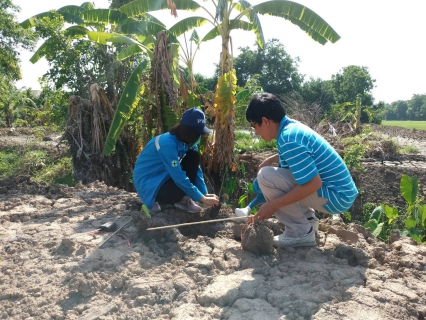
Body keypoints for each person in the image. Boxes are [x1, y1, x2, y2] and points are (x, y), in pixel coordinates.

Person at [245, 93, 358, 248]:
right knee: (275, 173)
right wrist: (270, 160)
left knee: (266, 176)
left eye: (254, 126)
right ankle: (309, 222)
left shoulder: (288, 139)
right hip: (341, 192)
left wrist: (273, 205)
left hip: (336, 196)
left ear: (265, 121)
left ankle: (300, 232)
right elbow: (301, 156)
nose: (256, 132)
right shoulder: (290, 129)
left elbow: (313, 183)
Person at [133, 107, 219, 214]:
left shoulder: (189, 143)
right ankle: (153, 199)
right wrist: (203, 199)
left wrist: (204, 194)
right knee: (176, 192)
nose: (199, 137)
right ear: (189, 132)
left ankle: (183, 199)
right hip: (149, 180)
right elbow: (179, 177)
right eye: (198, 134)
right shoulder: (167, 144)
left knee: (194, 156)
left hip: (165, 176)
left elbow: (196, 171)